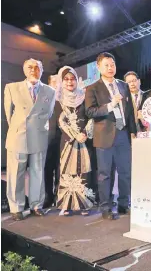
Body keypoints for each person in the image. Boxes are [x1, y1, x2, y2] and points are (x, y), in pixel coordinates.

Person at [85, 52, 137, 220]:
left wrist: (133, 131)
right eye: (106, 65)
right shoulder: (92, 88)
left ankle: (123, 204)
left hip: (123, 134)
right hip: (104, 136)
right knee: (105, 174)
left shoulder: (123, 85)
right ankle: (106, 207)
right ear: (99, 67)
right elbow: (90, 111)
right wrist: (109, 106)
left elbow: (129, 112)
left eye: (112, 64)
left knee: (125, 172)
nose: (110, 68)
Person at [4, 58, 56, 221]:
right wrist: (19, 126)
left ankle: (36, 205)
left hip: (39, 136)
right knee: (15, 174)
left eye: (37, 67)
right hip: (18, 135)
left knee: (38, 173)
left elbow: (48, 113)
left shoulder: (50, 91)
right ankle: (16, 207)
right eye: (30, 67)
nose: (33, 70)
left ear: (41, 70)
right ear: (24, 70)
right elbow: (8, 113)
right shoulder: (12, 88)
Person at [56, 66, 95, 216]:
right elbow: (60, 121)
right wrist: (74, 135)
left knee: (84, 170)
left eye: (72, 79)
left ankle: (84, 204)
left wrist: (84, 133)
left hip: (84, 140)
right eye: (66, 79)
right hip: (67, 141)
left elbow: (91, 117)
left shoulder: (84, 97)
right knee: (67, 171)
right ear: (61, 81)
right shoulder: (58, 99)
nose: (69, 82)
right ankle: (66, 205)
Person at [43, 75, 62, 208]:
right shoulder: (44, 100)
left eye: (59, 82)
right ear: (49, 84)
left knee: (61, 170)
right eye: (54, 82)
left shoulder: (65, 100)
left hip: (63, 140)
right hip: (47, 140)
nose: (57, 84)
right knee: (47, 170)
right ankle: (48, 197)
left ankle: (59, 196)